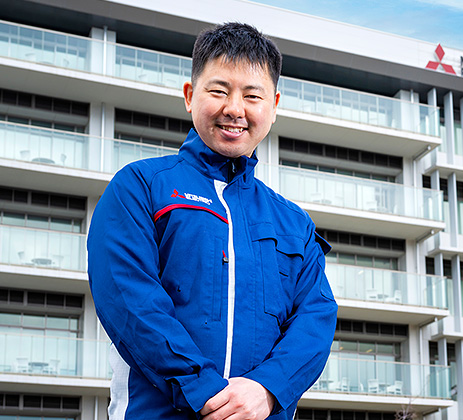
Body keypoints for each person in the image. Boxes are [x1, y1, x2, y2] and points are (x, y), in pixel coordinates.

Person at [87, 22, 338, 420]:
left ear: (273, 106)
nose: (235, 109)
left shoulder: (295, 223)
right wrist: (204, 391)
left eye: (252, 96)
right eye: (219, 90)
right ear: (190, 96)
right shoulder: (140, 186)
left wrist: (267, 389)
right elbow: (129, 299)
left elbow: (315, 320)